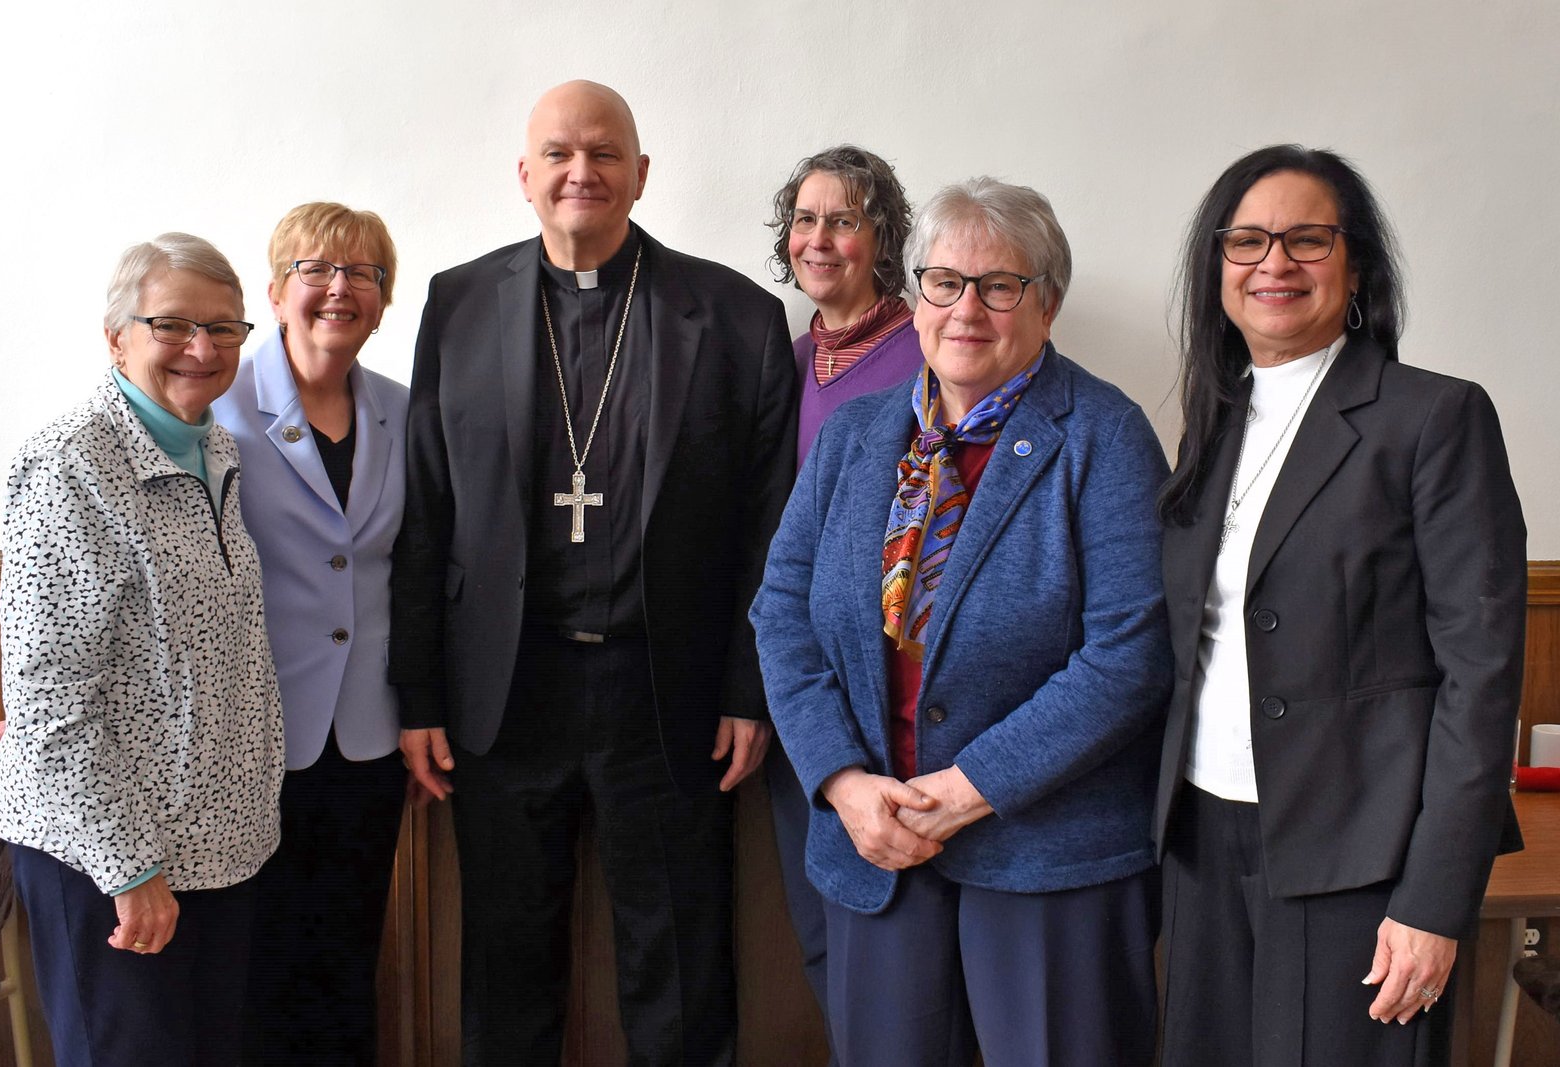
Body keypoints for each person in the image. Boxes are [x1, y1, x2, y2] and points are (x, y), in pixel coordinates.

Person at [388, 80, 797, 1065]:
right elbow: (425, 506)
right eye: (561, 153)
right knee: (506, 952)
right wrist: (418, 691)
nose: (584, 172)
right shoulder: (457, 301)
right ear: (524, 176)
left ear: (641, 174)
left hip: (664, 686)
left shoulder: (735, 314)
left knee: (680, 955)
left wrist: (750, 687)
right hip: (505, 685)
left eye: (606, 153)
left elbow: (768, 525)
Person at [750, 177, 1171, 1066]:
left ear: (1047, 302)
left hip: (1047, 861)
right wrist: (840, 781)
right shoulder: (857, 435)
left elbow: (1126, 656)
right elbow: (781, 610)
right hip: (877, 848)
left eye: (1000, 285)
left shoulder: (1105, 435)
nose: (967, 308)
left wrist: (966, 788)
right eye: (945, 281)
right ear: (918, 293)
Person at [1153, 144, 1526, 1066]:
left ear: (1355, 266)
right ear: (1218, 270)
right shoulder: (1213, 425)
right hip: (1203, 839)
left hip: (1359, 859)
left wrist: (1433, 899)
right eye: (1246, 241)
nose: (1273, 263)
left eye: (1306, 239)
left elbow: (1480, 677)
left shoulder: (1433, 418)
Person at [0, 234, 282, 1066]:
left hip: (210, 844)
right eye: (173, 324)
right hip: (104, 855)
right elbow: (52, 701)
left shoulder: (215, 446)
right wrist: (130, 867)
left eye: (224, 329)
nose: (202, 349)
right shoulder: (69, 462)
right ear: (117, 336)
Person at [214, 202, 409, 1065]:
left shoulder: (405, 410)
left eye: (362, 273)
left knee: (348, 959)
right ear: (275, 289)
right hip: (252, 738)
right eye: (316, 270)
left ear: (383, 297)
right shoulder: (214, 405)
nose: (339, 288)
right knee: (260, 968)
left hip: (369, 735)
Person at [763, 144, 924, 1043]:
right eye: (806, 219)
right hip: (801, 694)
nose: (820, 239)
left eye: (846, 220)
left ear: (885, 239)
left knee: (893, 938)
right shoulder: (782, 363)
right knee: (820, 929)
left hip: (892, 685)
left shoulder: (926, 351)